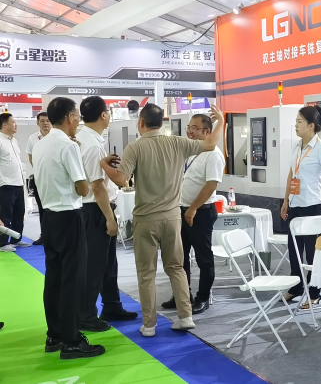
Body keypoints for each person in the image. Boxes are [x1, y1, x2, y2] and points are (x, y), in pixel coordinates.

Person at [100, 103, 224, 337]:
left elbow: (121, 180)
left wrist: (104, 166)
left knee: (146, 273)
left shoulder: (135, 147)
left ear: (141, 123)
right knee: (176, 267)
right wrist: (221, 122)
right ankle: (185, 316)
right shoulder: (177, 143)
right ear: (162, 123)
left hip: (145, 218)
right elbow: (210, 144)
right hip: (172, 218)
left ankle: (149, 325)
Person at [33, 97, 105, 359]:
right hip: (69, 215)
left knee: (54, 278)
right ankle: (72, 340)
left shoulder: (41, 144)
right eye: (76, 116)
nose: (78, 121)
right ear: (70, 117)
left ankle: (55, 334)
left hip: (49, 217)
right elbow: (83, 188)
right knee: (73, 279)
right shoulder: (68, 145)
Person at [76, 96, 138, 332]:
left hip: (97, 207)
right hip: (96, 209)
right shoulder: (90, 144)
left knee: (108, 262)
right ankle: (86, 315)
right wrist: (110, 219)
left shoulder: (88, 139)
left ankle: (112, 305)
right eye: (109, 112)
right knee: (95, 264)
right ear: (103, 115)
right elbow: (97, 186)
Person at [161, 114, 225, 315]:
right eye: (189, 127)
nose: (190, 131)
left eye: (195, 128)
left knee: (203, 257)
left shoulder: (213, 154)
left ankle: (203, 297)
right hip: (181, 209)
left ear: (207, 132)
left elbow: (211, 185)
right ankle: (182, 295)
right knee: (179, 256)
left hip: (201, 212)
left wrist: (193, 208)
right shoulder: (192, 150)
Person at [281, 106, 321, 308]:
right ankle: (296, 286)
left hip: (313, 206)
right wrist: (286, 200)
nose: (295, 125)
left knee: (313, 253)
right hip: (295, 205)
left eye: (299, 122)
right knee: (294, 250)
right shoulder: (297, 146)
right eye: (296, 121)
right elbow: (291, 174)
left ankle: (315, 292)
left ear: (311, 126)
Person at [0, 113, 31, 251]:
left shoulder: (14, 141)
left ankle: (16, 239)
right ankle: (2, 243)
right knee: (5, 215)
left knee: (19, 213)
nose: (15, 124)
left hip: (18, 182)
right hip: (5, 183)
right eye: (13, 122)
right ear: (4, 124)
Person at [26, 112, 52, 245]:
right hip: (39, 179)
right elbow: (31, 157)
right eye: (42, 121)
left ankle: (55, 235)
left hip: (54, 179)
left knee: (55, 208)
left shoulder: (57, 137)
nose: (45, 123)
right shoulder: (33, 138)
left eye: (48, 121)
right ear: (37, 123)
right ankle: (44, 235)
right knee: (42, 208)